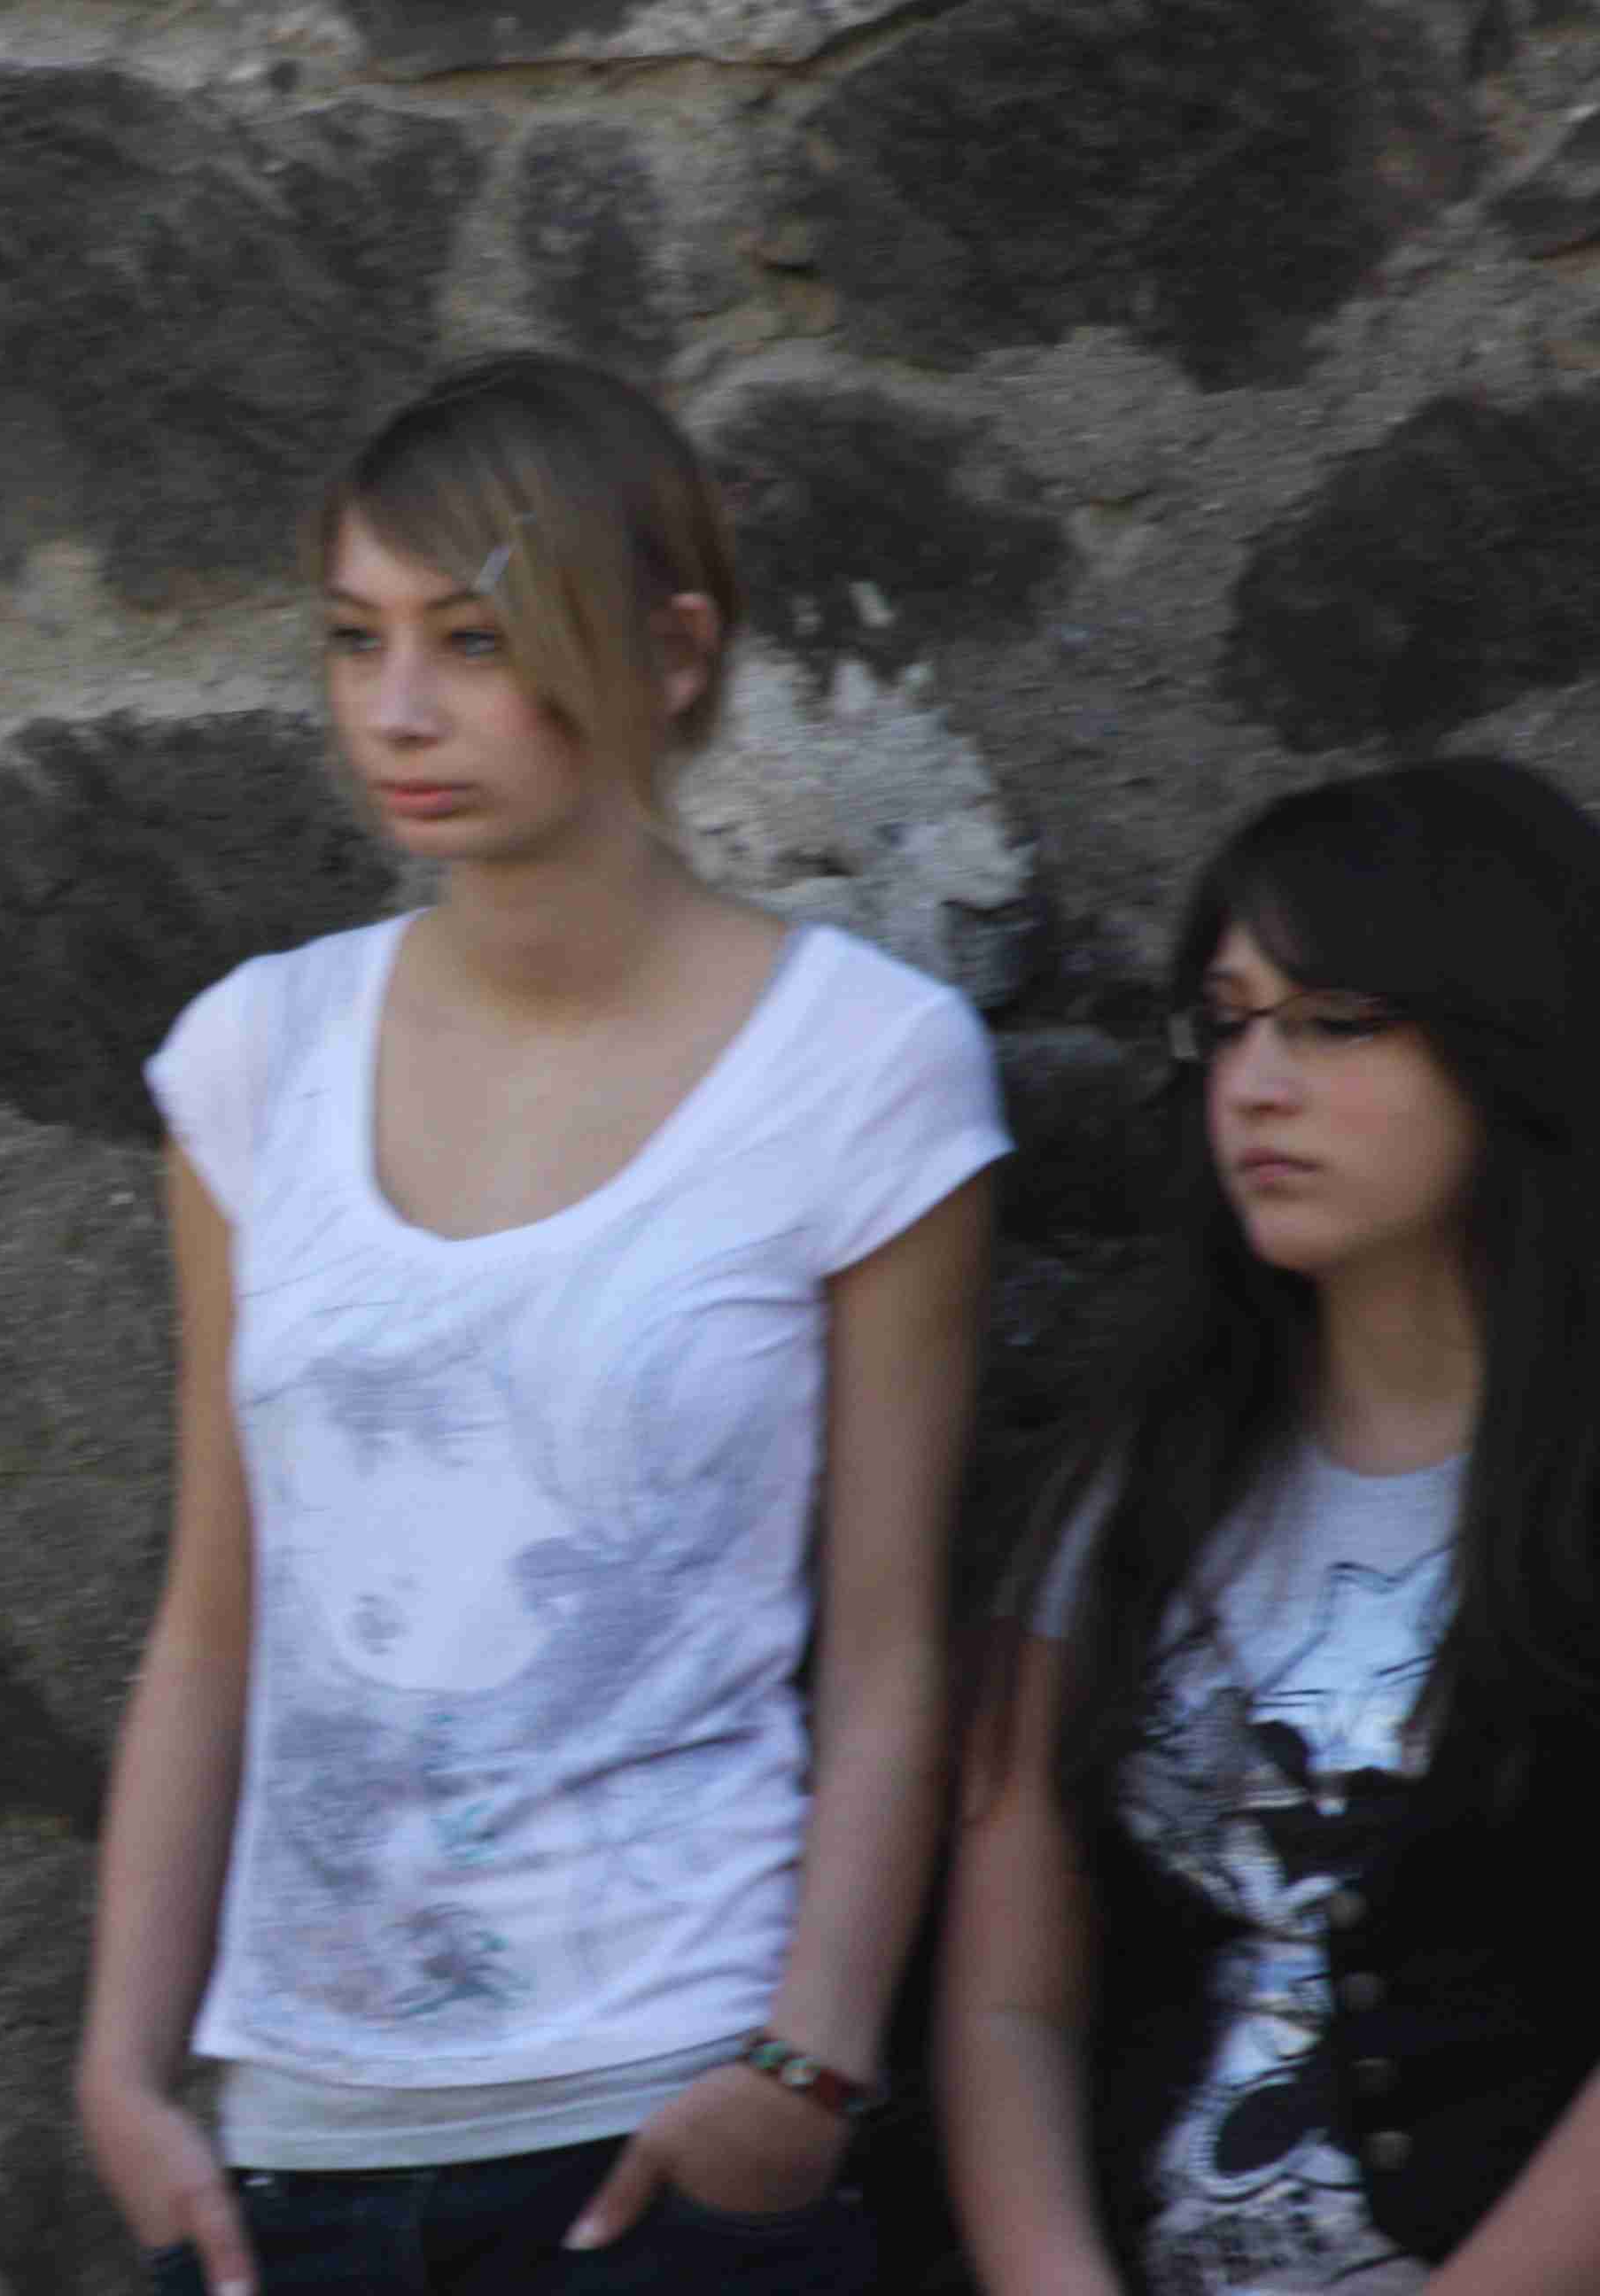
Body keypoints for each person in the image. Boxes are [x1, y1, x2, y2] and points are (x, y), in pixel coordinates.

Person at [74, 351, 1007, 2296]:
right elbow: (212, 1618)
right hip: (296, 2161)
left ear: (672, 652)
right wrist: (121, 2075)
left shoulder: (866, 1071)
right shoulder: (255, 1056)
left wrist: (806, 2067)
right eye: (356, 638)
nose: (397, 710)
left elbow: (895, 1646)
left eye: (475, 640)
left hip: (666, 2138)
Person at [940, 759, 1600, 2296]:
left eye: (1336, 1023)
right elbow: (1008, 2001)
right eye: (1228, 1023)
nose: (1256, 1084)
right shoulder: (1137, 1478)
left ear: (1513, 1041)